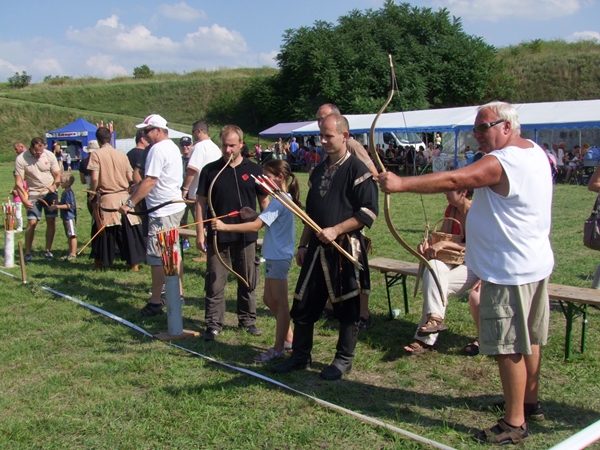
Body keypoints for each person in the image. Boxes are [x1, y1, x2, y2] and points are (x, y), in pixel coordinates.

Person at [378, 101, 553, 444]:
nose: (477, 135)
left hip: (509, 271)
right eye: (475, 129)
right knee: (529, 339)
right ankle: (529, 403)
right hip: (532, 265)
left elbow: (457, 178)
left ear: (506, 126)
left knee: (508, 347)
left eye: (483, 128)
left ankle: (514, 422)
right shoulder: (533, 151)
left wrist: (400, 184)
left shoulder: (504, 161)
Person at [272, 113, 378, 380]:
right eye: (321, 136)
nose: (323, 141)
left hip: (345, 248)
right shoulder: (319, 170)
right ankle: (300, 355)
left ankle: (343, 360)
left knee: (347, 305)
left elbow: (368, 212)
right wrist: (303, 245)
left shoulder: (358, 170)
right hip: (316, 249)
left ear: (345, 136)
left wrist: (336, 230)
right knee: (304, 300)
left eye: (329, 136)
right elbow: (311, 214)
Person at [212, 159, 299, 362]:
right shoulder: (279, 199)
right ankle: (289, 339)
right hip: (274, 256)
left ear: (280, 177)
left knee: (281, 304)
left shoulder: (281, 200)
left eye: (268, 177)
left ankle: (279, 348)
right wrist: (256, 214)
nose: (263, 181)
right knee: (269, 300)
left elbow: (255, 227)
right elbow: (270, 220)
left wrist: (225, 227)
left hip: (279, 257)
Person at [195, 125, 269, 340]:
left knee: (247, 279)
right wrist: (200, 232)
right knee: (215, 281)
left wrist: (264, 224)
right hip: (218, 236)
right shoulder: (210, 170)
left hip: (246, 236)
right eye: (224, 146)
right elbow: (200, 202)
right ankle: (213, 324)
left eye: (232, 146)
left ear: (241, 145)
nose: (228, 150)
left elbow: (265, 201)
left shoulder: (254, 170)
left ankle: (247, 320)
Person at [316, 103, 378, 330]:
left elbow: (369, 172)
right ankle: (332, 305)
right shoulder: (326, 155)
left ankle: (362, 313)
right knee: (329, 269)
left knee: (355, 273)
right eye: (319, 121)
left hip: (350, 226)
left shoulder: (351, 146)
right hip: (326, 227)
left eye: (324, 119)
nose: (321, 125)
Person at [119, 114, 186, 316]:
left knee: (158, 257)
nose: (144, 134)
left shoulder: (157, 149)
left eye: (147, 130)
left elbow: (151, 181)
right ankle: (177, 294)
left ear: (158, 130)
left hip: (162, 210)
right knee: (172, 253)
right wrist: (137, 187)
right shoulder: (171, 147)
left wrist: (130, 203)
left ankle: (156, 301)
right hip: (172, 207)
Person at [404, 189, 480, 354]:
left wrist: (445, 245)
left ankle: (423, 339)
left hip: (476, 264)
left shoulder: (478, 211)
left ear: (463, 192)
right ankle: (435, 320)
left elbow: (479, 245)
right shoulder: (451, 209)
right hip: (452, 259)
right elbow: (443, 237)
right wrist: (428, 245)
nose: (445, 192)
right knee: (433, 267)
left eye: (450, 189)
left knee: (435, 287)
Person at [89, 127, 146, 272]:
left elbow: (94, 178)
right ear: (110, 138)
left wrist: (92, 192)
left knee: (102, 231)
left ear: (98, 140)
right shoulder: (121, 154)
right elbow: (130, 177)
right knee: (128, 232)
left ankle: (99, 263)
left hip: (107, 198)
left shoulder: (96, 154)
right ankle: (133, 264)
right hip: (124, 197)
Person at [14, 137, 62, 263]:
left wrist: (54, 186)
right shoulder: (21, 159)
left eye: (41, 151)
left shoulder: (49, 155)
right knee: (32, 222)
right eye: (36, 151)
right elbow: (18, 182)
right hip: (34, 193)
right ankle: (28, 253)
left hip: (50, 192)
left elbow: (57, 175)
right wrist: (24, 200)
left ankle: (48, 250)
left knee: (51, 220)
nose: (39, 154)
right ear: (31, 148)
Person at [48, 173, 77, 260]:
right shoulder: (65, 192)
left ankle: (73, 253)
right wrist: (58, 203)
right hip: (65, 217)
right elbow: (65, 204)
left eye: (62, 182)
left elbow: (69, 205)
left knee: (72, 235)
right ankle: (70, 253)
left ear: (68, 183)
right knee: (68, 235)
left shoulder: (69, 193)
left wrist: (56, 206)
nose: (60, 183)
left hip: (70, 217)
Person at [11, 142, 27, 232]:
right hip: (19, 195)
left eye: (16, 149)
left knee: (20, 211)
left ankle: (20, 227)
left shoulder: (27, 156)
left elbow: (23, 186)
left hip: (21, 195)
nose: (15, 151)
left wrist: (17, 191)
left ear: (21, 147)